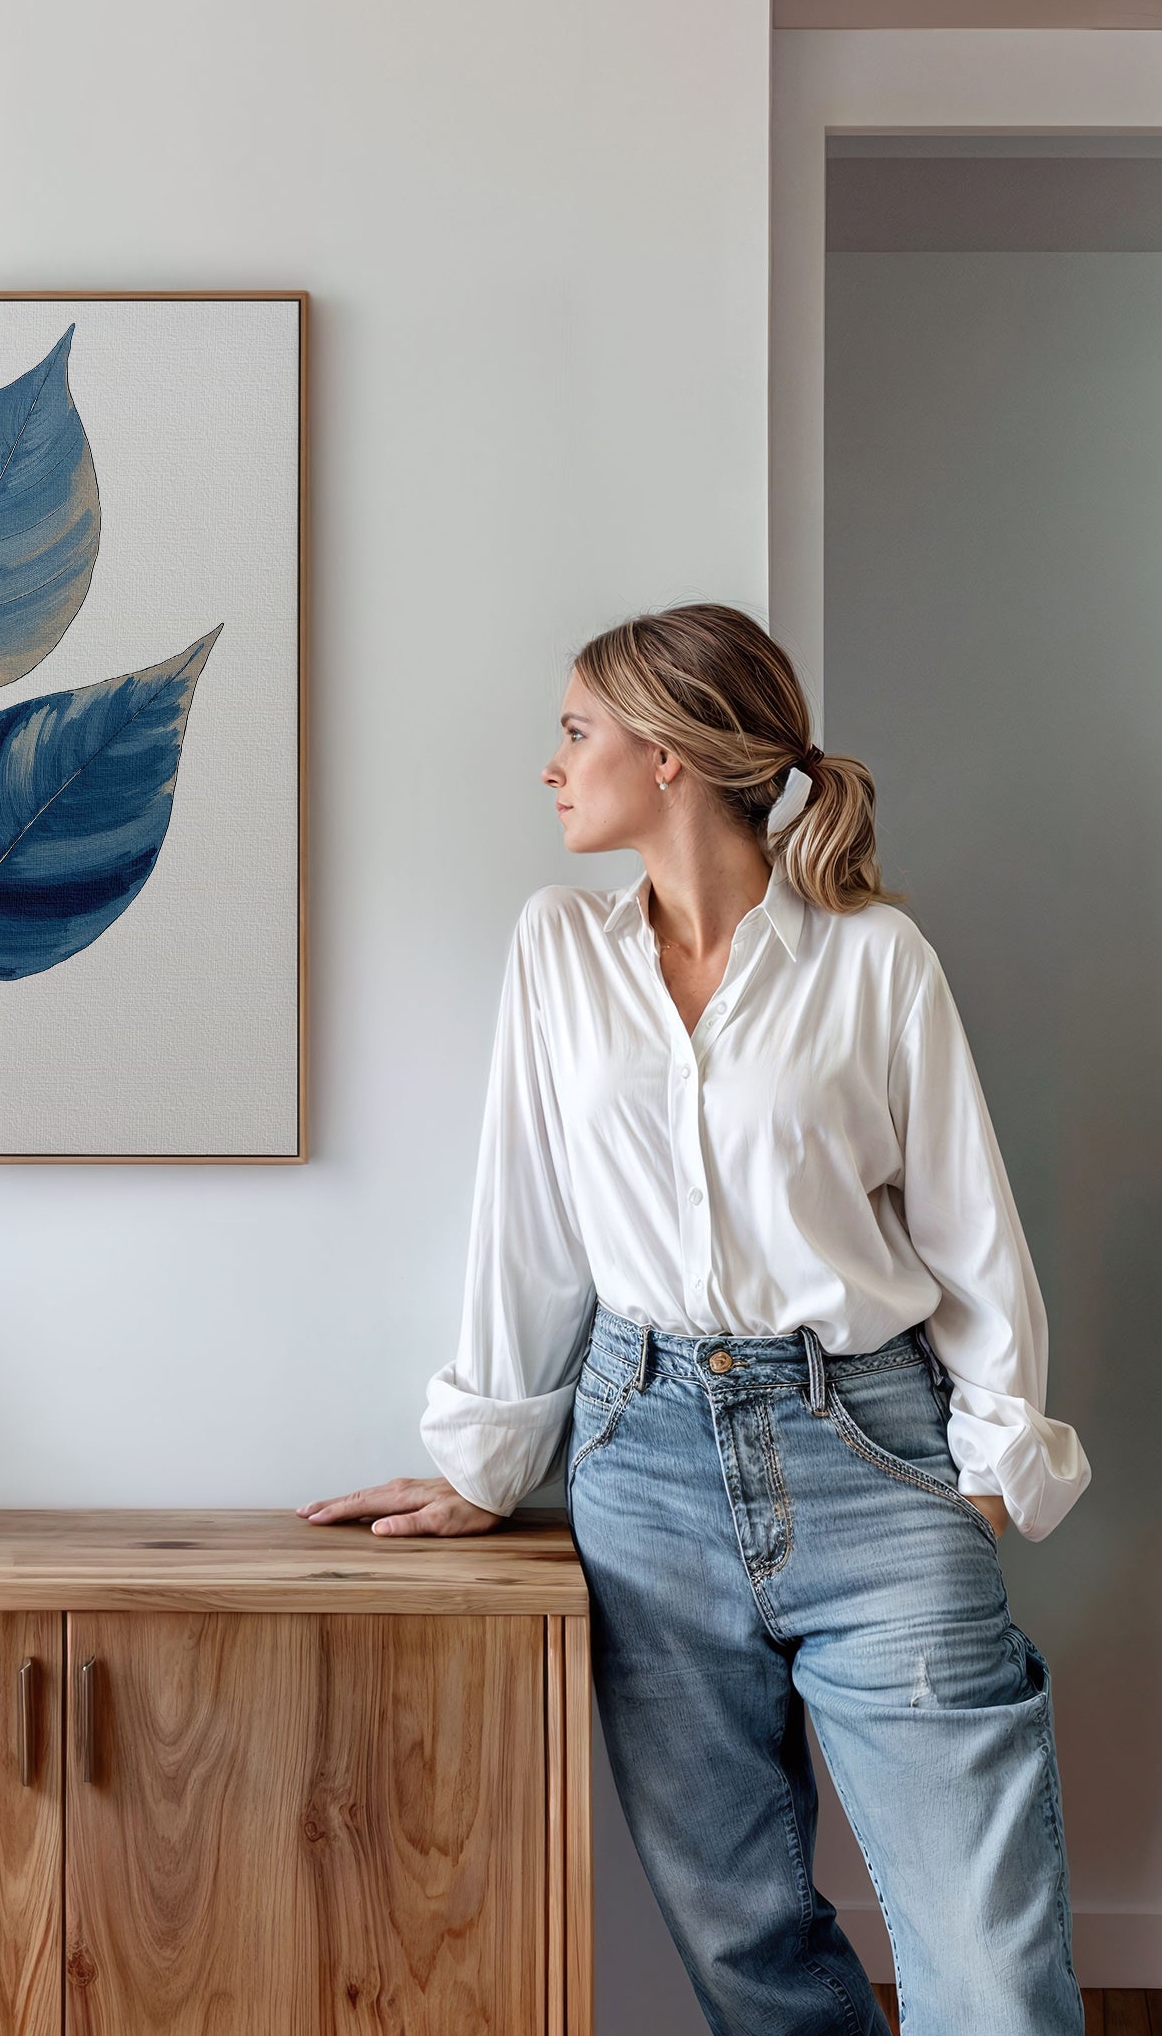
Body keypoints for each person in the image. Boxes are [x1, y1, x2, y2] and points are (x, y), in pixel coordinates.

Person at [298, 604, 1091, 2034]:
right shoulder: (558, 951)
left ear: (669, 757)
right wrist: (490, 1461)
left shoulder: (873, 960)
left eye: (575, 730)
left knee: (987, 1960)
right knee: (745, 1947)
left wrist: (987, 1467)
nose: (552, 765)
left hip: (873, 1448)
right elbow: (525, 1219)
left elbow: (972, 1230)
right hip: (642, 1460)